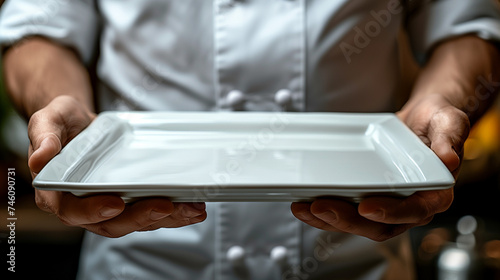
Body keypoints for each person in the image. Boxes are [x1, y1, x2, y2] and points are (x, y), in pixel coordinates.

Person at [1, 0, 500, 279]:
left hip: (353, 263)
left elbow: (469, 28)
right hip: (145, 263)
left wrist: (444, 99)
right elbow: (39, 30)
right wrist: (59, 102)